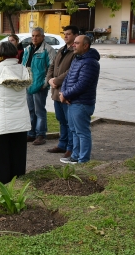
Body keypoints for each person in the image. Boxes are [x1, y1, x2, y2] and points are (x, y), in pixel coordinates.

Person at [0, 41, 32, 189]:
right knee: (17, 154)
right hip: (20, 120)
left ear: (0, 54)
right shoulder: (23, 69)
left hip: (0, 121)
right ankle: (17, 186)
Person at [60, 35, 101, 164]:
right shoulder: (77, 59)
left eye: (77, 43)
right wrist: (64, 93)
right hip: (73, 101)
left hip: (82, 103)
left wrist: (66, 94)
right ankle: (75, 156)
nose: (73, 45)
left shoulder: (90, 62)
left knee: (82, 132)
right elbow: (67, 78)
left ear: (85, 45)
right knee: (74, 130)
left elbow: (82, 84)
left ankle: (83, 159)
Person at [45, 25, 78, 156]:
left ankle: (70, 147)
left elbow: (71, 71)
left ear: (75, 35)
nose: (65, 36)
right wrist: (49, 79)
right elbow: (52, 66)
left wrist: (56, 80)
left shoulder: (75, 52)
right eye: (64, 34)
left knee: (69, 121)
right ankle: (62, 144)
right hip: (55, 91)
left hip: (66, 91)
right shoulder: (61, 49)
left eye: (68, 34)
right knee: (61, 119)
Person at [22, 27, 56, 145]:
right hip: (28, 84)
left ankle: (41, 134)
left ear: (42, 37)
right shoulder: (27, 49)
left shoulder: (48, 50)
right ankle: (31, 133)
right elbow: (23, 66)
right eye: (33, 36)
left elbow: (52, 68)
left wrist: (45, 84)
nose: (34, 38)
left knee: (39, 111)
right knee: (30, 110)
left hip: (40, 85)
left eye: (37, 36)